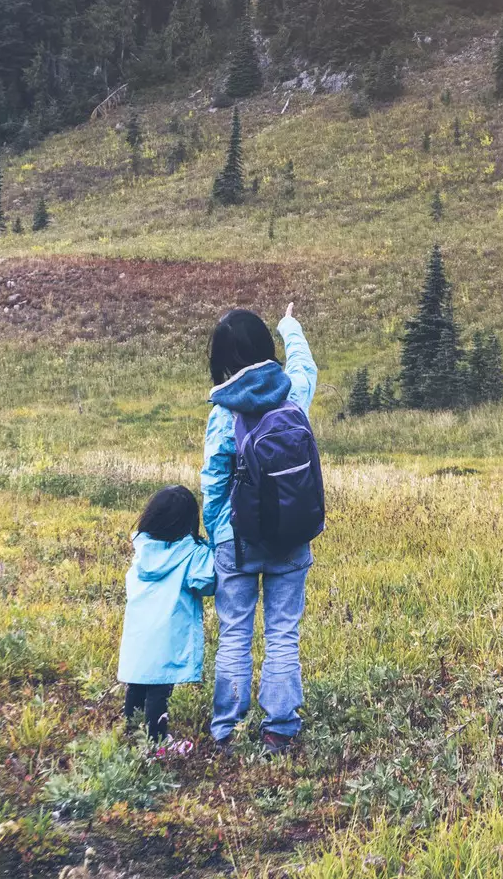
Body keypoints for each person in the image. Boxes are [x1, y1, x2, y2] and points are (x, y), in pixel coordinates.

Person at [204, 303, 318, 750]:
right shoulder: (293, 393)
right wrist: (290, 324)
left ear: (223, 362)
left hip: (238, 538)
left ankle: (227, 729)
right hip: (291, 532)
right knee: (282, 631)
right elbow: (305, 364)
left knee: (235, 633)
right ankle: (280, 728)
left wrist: (217, 534)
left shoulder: (222, 411)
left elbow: (213, 479)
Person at [116, 484, 214, 750]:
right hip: (168, 634)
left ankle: (132, 732)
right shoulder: (192, 552)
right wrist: (210, 547)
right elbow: (206, 583)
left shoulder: (142, 549)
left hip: (139, 632)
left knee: (137, 683)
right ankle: (157, 743)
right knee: (160, 690)